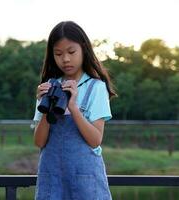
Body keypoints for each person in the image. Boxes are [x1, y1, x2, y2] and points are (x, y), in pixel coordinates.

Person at [33, 21, 116, 200]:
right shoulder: (50, 87)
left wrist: (73, 107)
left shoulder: (96, 87)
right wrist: (46, 107)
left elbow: (95, 140)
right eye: (58, 53)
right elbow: (39, 142)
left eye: (71, 52)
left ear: (83, 49)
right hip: (52, 180)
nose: (66, 59)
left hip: (86, 183)